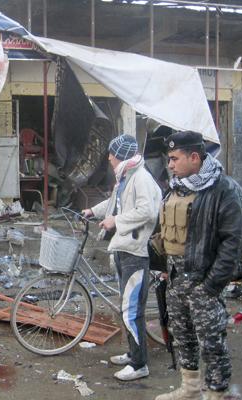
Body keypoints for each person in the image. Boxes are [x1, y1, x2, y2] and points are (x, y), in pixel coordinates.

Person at [155, 131, 242, 400]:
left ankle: (217, 393)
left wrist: (211, 285)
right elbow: (167, 230)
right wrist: (163, 265)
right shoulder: (176, 187)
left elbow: (235, 243)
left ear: (194, 157)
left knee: (212, 341)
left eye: (174, 158)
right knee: (182, 335)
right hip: (174, 277)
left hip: (202, 279)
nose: (170, 164)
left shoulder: (224, 190)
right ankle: (191, 388)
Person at [82, 134, 162, 381]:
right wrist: (93, 211)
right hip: (123, 248)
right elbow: (114, 202)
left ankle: (140, 365)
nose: (108, 157)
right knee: (126, 306)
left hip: (135, 252)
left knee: (131, 310)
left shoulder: (142, 178)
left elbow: (148, 211)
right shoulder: (126, 177)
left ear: (122, 155)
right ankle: (132, 353)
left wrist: (115, 221)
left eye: (111, 153)